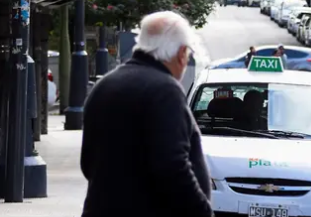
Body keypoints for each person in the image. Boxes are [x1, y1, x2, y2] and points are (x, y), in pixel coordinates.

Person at [80, 11, 213, 217]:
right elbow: (173, 168)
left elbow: (88, 162)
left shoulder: (104, 85)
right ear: (181, 53)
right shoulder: (165, 90)